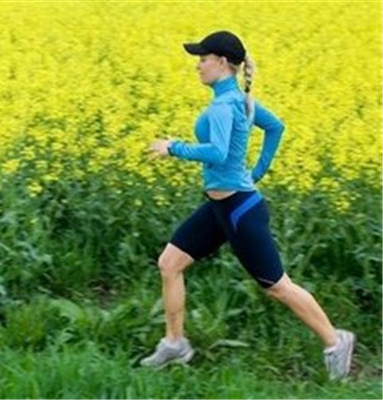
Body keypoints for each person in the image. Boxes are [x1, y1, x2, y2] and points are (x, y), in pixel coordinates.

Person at [143, 30, 355, 381]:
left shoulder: (226, 105)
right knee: (169, 264)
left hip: (240, 210)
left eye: (203, 58)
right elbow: (275, 127)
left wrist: (174, 147)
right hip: (219, 209)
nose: (198, 66)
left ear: (223, 63)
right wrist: (256, 171)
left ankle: (336, 342)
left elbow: (218, 152)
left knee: (276, 285)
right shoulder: (239, 100)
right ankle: (175, 343)